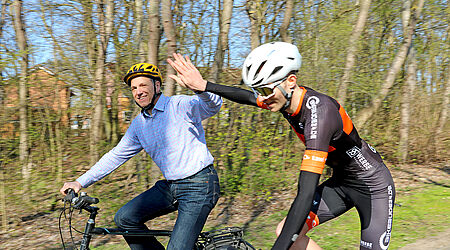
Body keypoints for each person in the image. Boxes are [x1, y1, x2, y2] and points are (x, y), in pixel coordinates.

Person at [167, 42, 395, 250]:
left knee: (290, 235)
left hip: (373, 186)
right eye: (258, 90)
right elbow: (245, 97)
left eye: (265, 91)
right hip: (341, 183)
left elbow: (305, 194)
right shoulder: (282, 99)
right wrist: (203, 85)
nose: (262, 99)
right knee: (285, 231)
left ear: (291, 81)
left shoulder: (320, 113)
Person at [60, 63, 223, 250]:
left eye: (143, 85)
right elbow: (115, 156)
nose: (138, 92)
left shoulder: (179, 105)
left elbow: (213, 105)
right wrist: (80, 182)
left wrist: (200, 87)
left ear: (157, 86)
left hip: (200, 185)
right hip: (171, 186)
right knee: (125, 218)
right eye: (134, 88)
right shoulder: (139, 125)